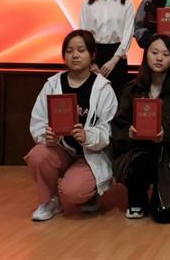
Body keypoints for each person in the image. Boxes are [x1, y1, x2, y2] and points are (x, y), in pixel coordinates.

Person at [25, 30, 117, 221]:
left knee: (74, 191)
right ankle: (50, 201)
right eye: (69, 51)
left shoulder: (103, 88)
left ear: (92, 55)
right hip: (61, 150)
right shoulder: (52, 84)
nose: (75, 55)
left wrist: (87, 136)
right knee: (38, 155)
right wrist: (46, 136)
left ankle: (90, 195)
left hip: (90, 154)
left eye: (81, 50)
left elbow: (109, 129)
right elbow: (38, 120)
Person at [110, 35, 170, 223]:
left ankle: (160, 192)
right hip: (138, 151)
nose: (159, 58)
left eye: (166, 54)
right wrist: (129, 132)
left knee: (166, 216)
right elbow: (117, 128)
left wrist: (166, 135)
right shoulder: (131, 90)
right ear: (145, 55)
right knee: (139, 162)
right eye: (154, 52)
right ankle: (137, 198)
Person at [80, 0, 134, 96]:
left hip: (117, 57)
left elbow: (128, 34)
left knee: (116, 97)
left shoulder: (127, 3)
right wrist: (90, 62)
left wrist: (114, 60)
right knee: (91, 97)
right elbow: (83, 34)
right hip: (93, 56)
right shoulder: (88, 3)